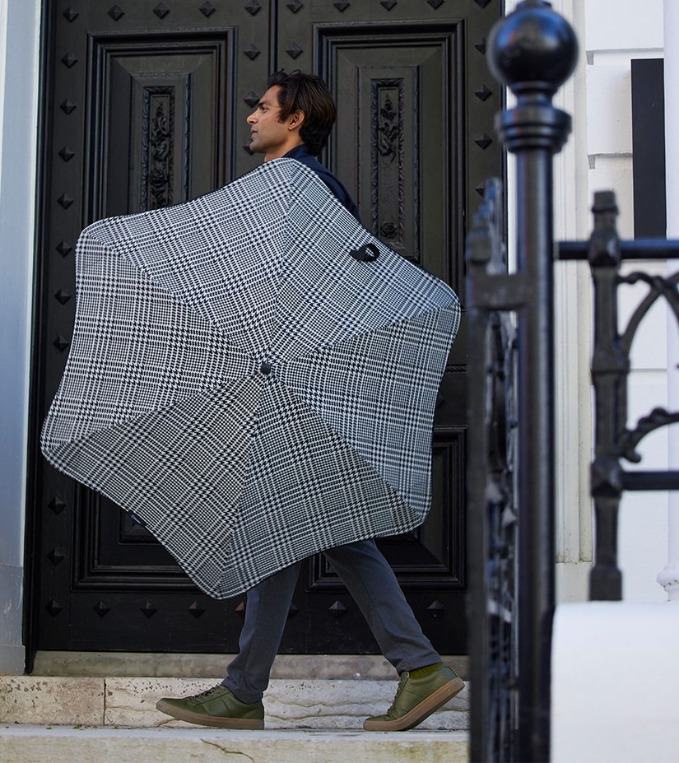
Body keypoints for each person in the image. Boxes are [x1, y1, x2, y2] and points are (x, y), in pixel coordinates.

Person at [156, 71, 463, 732]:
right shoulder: (295, 187)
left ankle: (397, 671)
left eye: (263, 107)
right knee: (297, 529)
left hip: (300, 384)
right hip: (295, 382)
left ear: (293, 119)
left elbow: (309, 292)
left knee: (292, 526)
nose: (251, 117)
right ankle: (399, 671)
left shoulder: (300, 188)